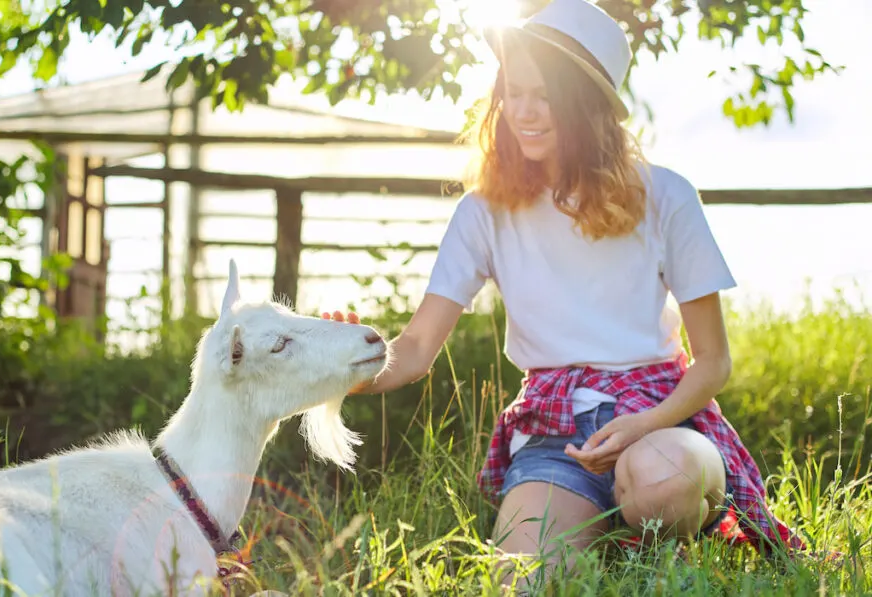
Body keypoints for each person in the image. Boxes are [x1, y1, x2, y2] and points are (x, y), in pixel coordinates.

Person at [322, 0, 806, 587]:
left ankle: (659, 546)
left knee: (659, 482)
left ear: (586, 104)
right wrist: (345, 367)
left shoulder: (667, 197)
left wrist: (645, 424)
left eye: (545, 95)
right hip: (553, 439)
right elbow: (419, 346)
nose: (523, 112)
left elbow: (713, 362)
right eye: (514, 92)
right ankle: (607, 535)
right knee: (518, 582)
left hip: (660, 425)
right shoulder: (483, 212)